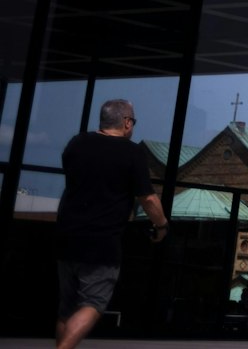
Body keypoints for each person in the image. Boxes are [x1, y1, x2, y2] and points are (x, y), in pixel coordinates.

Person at [54, 98, 168, 349]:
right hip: (101, 242)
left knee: (67, 307)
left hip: (66, 236)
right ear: (127, 122)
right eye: (133, 122)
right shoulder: (132, 152)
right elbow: (148, 198)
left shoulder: (77, 143)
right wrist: (161, 226)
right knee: (93, 303)